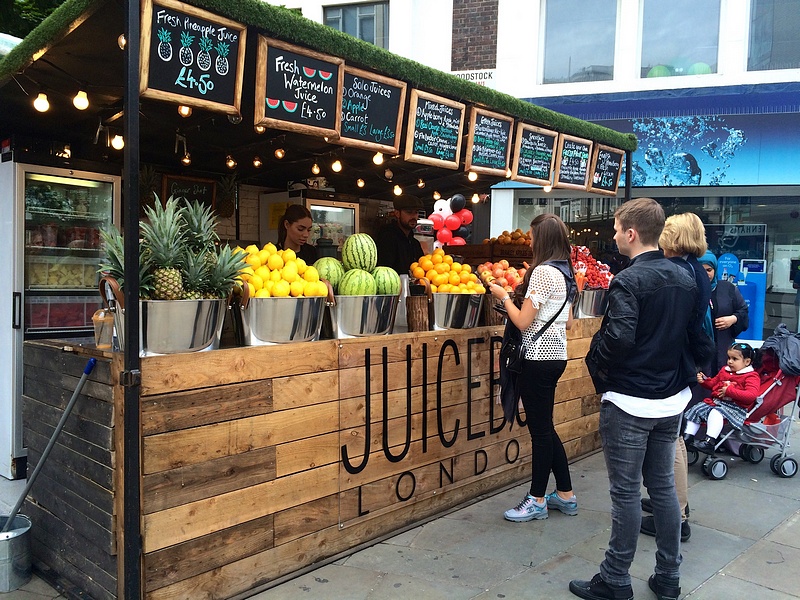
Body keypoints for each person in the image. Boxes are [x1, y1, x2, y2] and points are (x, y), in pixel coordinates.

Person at [572, 198, 710, 600]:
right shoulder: (685, 277)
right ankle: (668, 576)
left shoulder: (628, 280)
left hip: (630, 400)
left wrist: (595, 362)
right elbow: (699, 340)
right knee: (663, 488)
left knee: (626, 493)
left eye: (617, 230)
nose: (614, 236)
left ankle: (615, 578)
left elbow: (618, 338)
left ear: (632, 234)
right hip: (670, 400)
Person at [488, 213, 578, 522]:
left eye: (532, 236)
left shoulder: (542, 272)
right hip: (556, 357)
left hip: (536, 358)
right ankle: (565, 494)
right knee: (546, 428)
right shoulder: (566, 272)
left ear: (543, 239)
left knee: (540, 432)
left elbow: (523, 321)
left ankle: (537, 499)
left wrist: (504, 297)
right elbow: (568, 322)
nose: (529, 242)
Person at [639, 212, 712, 544]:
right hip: (684, 362)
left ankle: (677, 515)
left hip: (676, 365)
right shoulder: (694, 268)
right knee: (673, 439)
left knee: (673, 442)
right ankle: (668, 502)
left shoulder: (682, 272)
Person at [685, 342, 761, 453]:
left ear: (747, 362)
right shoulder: (725, 370)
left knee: (716, 412)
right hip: (717, 403)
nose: (730, 361)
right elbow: (714, 383)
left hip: (736, 408)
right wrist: (705, 381)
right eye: (729, 358)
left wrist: (729, 391)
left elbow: (751, 396)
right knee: (696, 409)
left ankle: (709, 441)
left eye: (734, 359)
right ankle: (687, 437)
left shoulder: (751, 376)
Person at [698, 251, 749, 372]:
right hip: (700, 351)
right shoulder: (691, 289)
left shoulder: (728, 288)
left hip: (724, 349)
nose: (706, 274)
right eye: (702, 270)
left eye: (709, 270)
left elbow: (743, 311)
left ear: (715, 270)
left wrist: (733, 319)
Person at [375, 194, 424, 275]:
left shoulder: (415, 243)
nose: (414, 217)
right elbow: (383, 272)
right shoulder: (387, 239)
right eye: (409, 212)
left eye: (416, 212)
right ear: (397, 213)